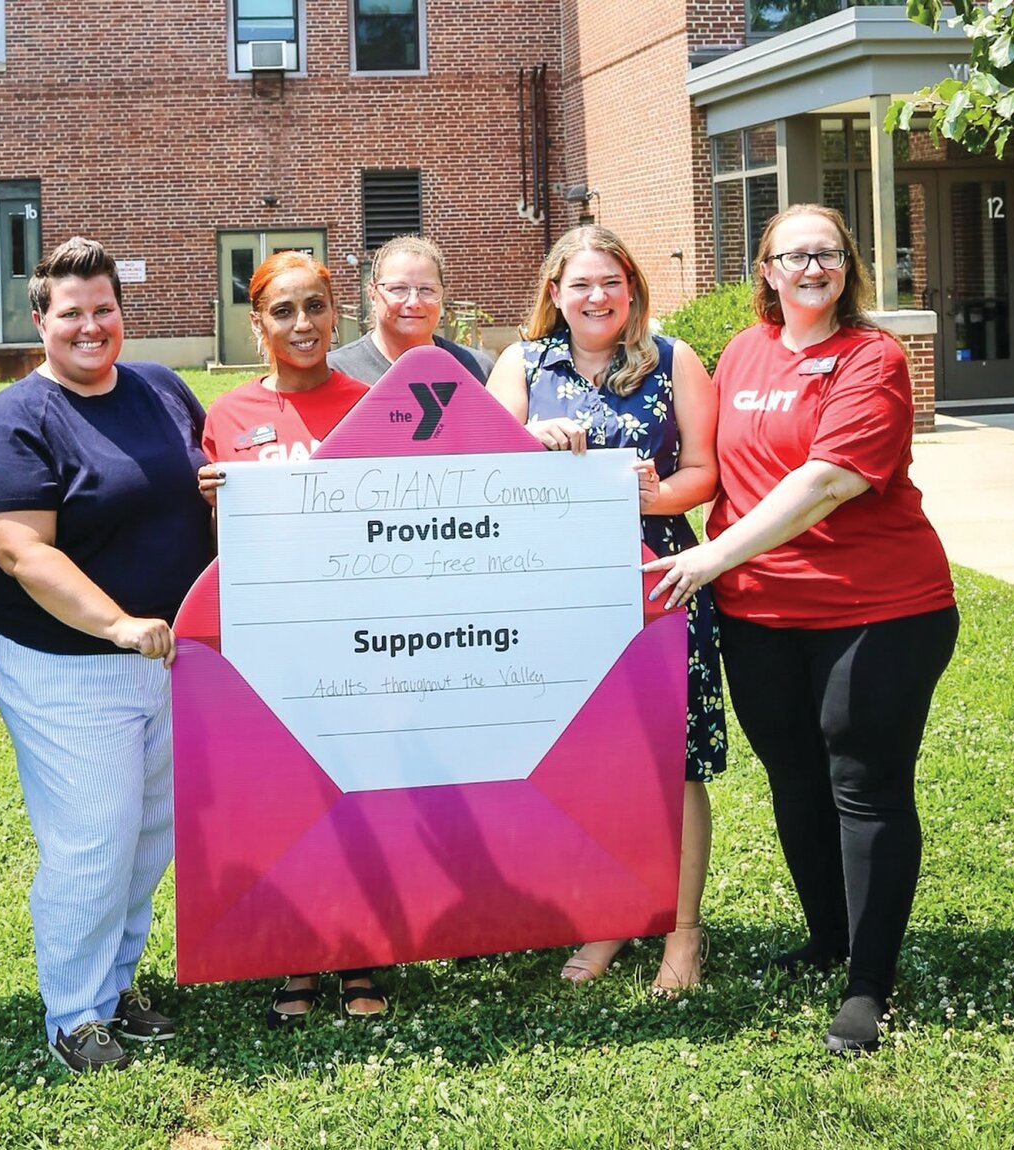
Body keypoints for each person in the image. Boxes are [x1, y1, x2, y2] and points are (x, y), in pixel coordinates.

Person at [644, 204, 958, 1053]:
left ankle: (868, 986)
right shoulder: (743, 352)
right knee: (794, 777)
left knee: (863, 782)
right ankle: (829, 936)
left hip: (879, 609)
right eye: (793, 256)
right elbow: (704, 466)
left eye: (826, 254)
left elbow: (825, 483)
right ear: (767, 271)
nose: (810, 268)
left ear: (848, 266)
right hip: (760, 613)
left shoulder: (872, 358)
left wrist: (708, 560)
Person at [0, 238, 211, 1073]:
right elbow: (19, 551)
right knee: (93, 838)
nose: (90, 326)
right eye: (70, 313)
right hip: (63, 660)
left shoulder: (161, 388)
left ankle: (115, 984)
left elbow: (207, 488)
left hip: (172, 654)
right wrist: (114, 623)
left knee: (149, 832)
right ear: (40, 322)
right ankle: (73, 1014)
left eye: (103, 308)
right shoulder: (16, 416)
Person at [485, 224, 723, 996]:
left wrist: (658, 493)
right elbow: (477, 464)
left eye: (611, 284)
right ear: (554, 293)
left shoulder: (675, 359)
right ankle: (611, 914)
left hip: (656, 582)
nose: (597, 297)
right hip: (552, 586)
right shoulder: (521, 364)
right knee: (584, 760)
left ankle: (682, 934)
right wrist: (526, 439)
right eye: (581, 284)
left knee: (673, 764)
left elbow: (704, 474)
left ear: (632, 291)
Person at [196, 250, 389, 1026]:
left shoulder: (372, 403)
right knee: (287, 799)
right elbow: (220, 543)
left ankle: (364, 955)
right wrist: (210, 499)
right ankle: (297, 957)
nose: (302, 324)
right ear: (257, 324)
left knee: (360, 792)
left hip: (361, 635)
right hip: (270, 638)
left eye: (315, 307)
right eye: (284, 311)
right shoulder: (229, 416)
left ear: (335, 314)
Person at [327, 234, 494, 384]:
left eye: (427, 289)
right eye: (398, 288)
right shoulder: (336, 372)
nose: (414, 302)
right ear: (372, 293)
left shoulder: (476, 369)